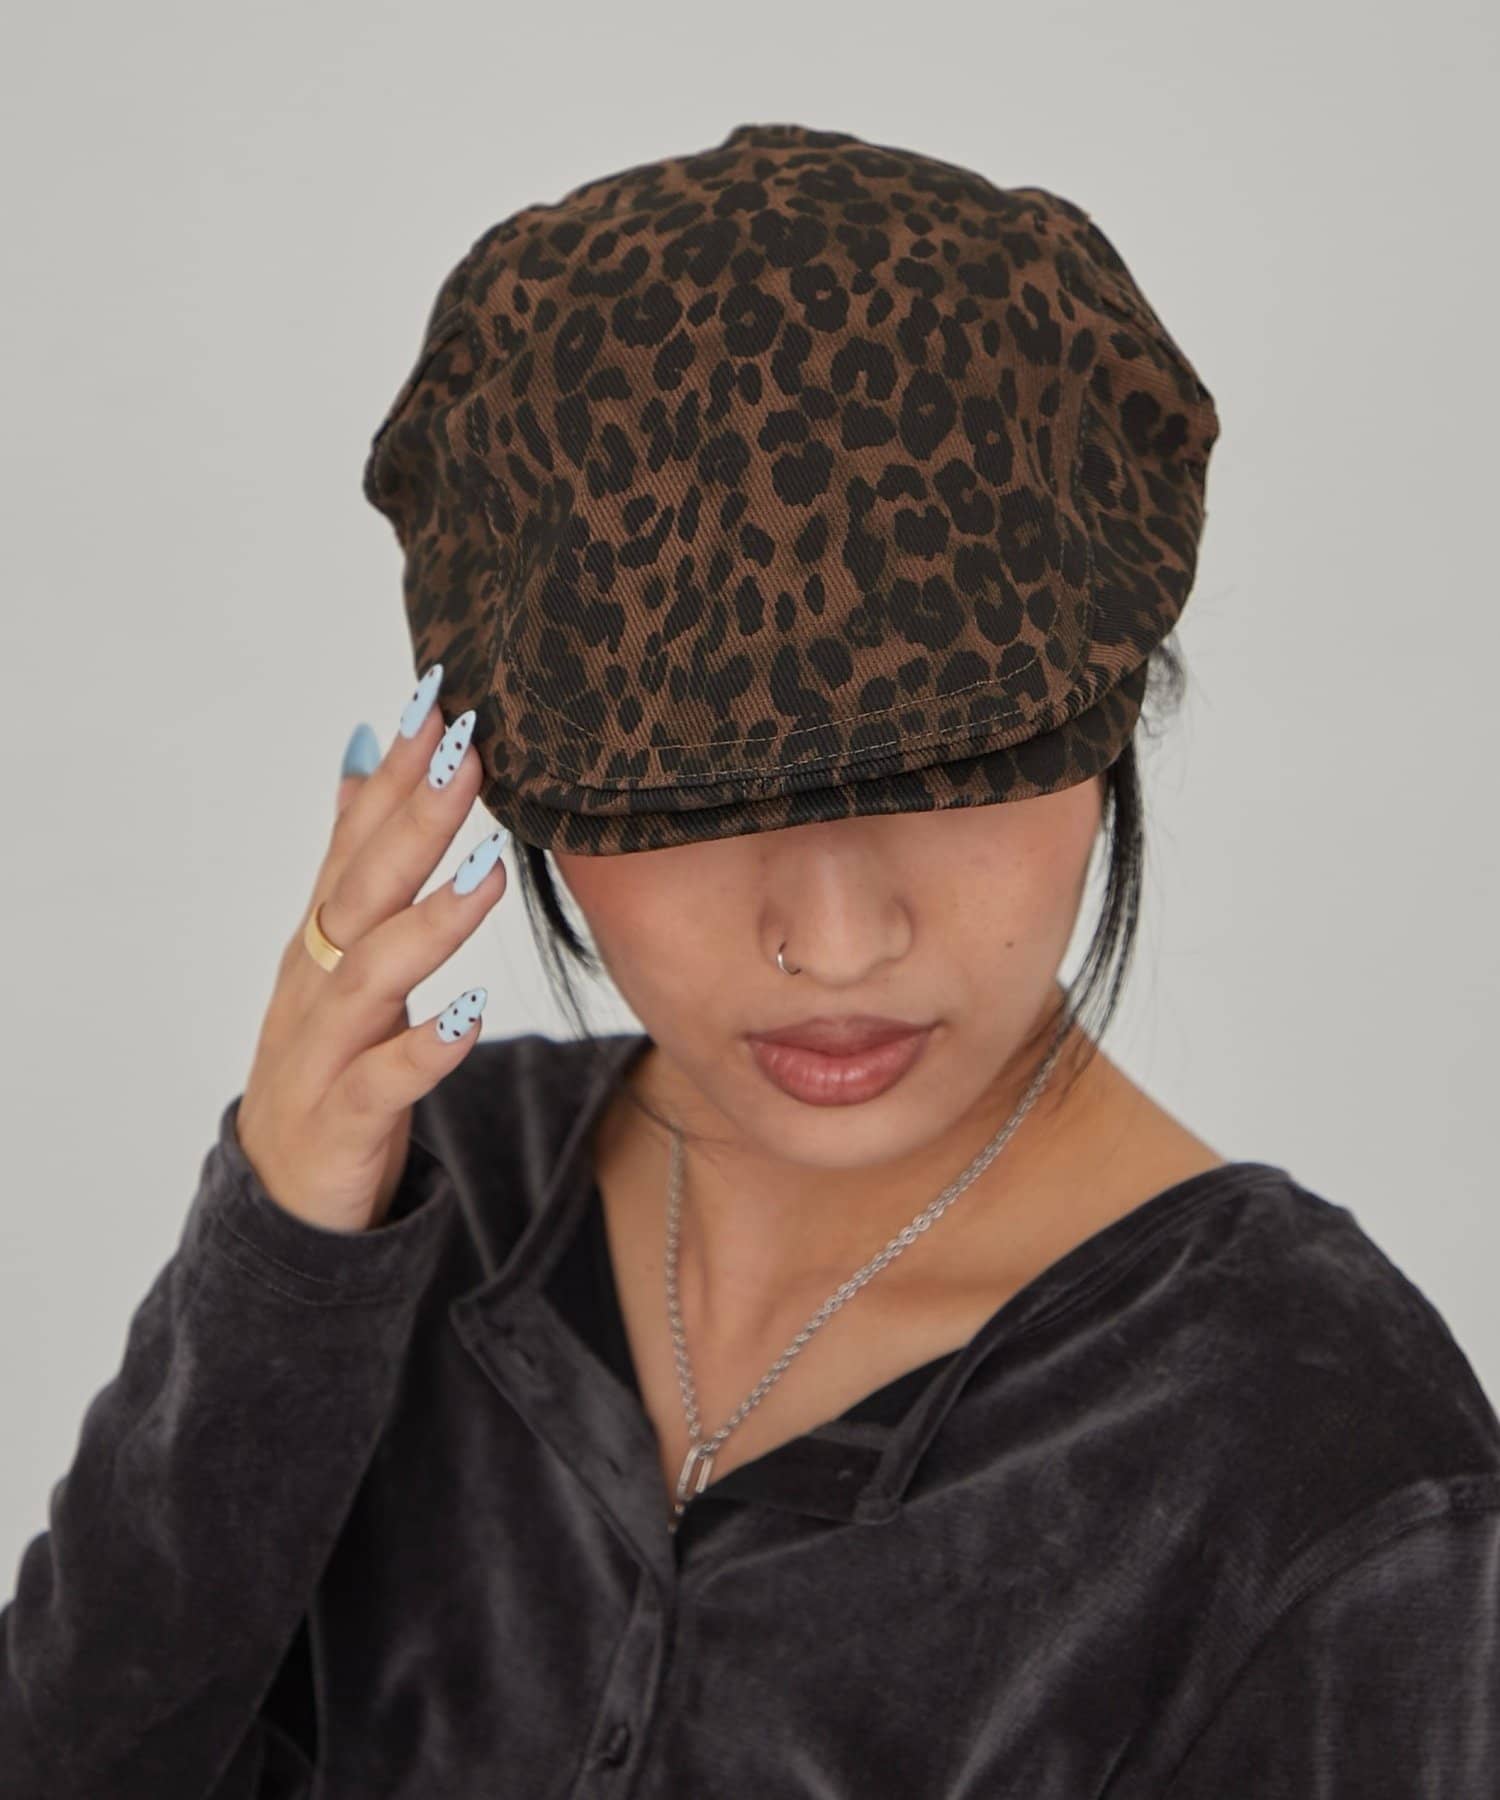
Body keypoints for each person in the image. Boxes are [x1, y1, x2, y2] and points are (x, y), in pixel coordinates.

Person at [3, 121, 1498, 1798]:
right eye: (698, 802)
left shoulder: (1315, 1452)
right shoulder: (434, 1200)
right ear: (507, 773)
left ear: (1113, 709)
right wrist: (278, 1261)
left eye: (954, 773)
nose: (836, 937)